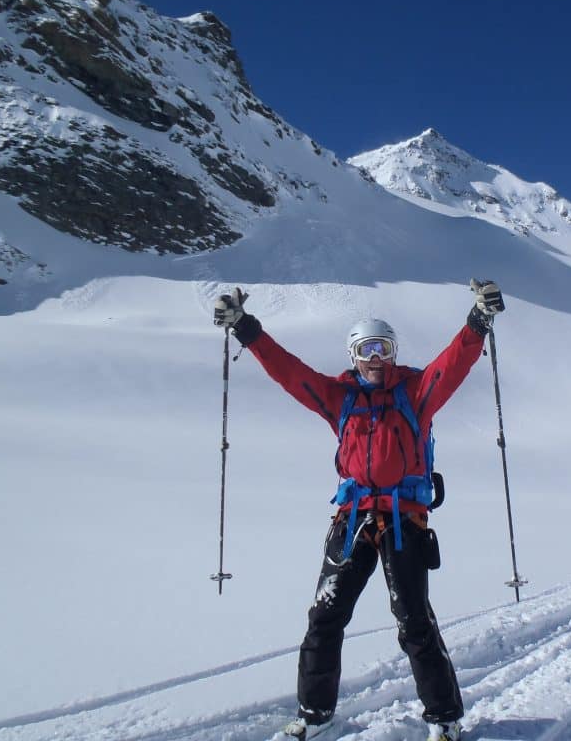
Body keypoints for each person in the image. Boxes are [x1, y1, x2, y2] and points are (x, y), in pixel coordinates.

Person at [212, 280, 505, 741]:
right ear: (353, 354)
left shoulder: (415, 394)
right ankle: (315, 715)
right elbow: (291, 373)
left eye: (383, 348)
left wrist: (477, 322)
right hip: (352, 520)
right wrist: (246, 329)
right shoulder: (339, 399)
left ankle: (445, 720)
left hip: (403, 520)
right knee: (324, 616)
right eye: (366, 349)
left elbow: (451, 366)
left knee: (413, 620)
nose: (375, 358)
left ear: (392, 353)